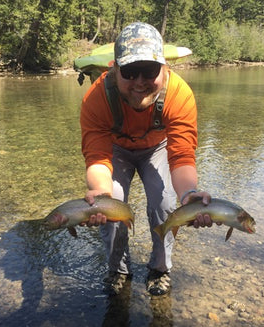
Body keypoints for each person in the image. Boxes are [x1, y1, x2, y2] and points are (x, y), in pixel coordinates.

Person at [79, 22, 216, 296]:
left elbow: (181, 156)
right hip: (116, 150)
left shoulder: (179, 95)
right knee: (112, 203)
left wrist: (189, 193)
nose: (139, 82)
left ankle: (160, 269)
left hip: (158, 148)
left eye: (150, 71)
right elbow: (97, 156)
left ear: (165, 68)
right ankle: (118, 269)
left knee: (165, 202)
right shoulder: (96, 98)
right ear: (114, 69)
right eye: (129, 72)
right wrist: (100, 194)